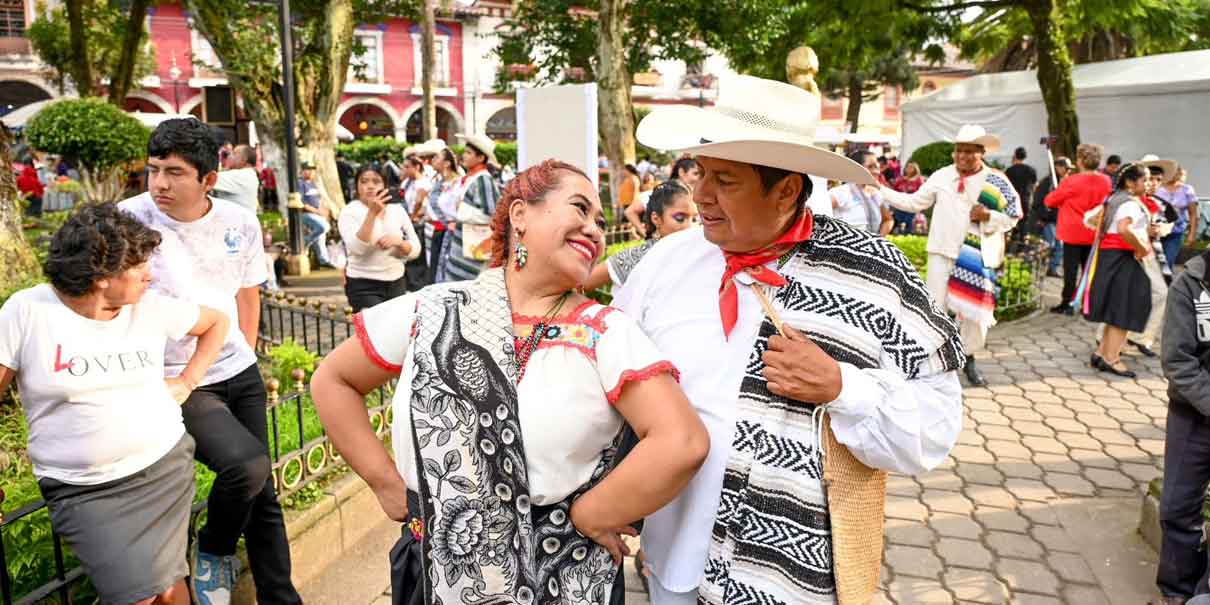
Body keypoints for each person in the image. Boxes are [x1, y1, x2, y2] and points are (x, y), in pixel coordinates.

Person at [625, 74, 964, 605]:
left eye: (727, 181)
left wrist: (842, 387)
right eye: (702, 172)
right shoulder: (667, 260)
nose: (702, 195)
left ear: (786, 188)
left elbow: (937, 428)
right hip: (669, 559)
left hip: (787, 581)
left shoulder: (874, 275)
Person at [310, 159, 710, 605]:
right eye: (579, 209)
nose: (595, 230)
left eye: (599, 221)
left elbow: (682, 440)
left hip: (563, 578)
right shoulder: (433, 309)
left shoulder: (605, 331)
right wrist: (385, 482)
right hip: (434, 573)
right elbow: (334, 380)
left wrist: (592, 513)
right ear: (520, 214)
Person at [0, 204, 229, 605]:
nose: (149, 274)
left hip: (163, 468)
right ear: (102, 277)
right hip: (83, 489)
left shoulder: (149, 307)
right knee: (137, 596)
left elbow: (216, 322)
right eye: (138, 266)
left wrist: (187, 381)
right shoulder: (28, 310)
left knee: (171, 588)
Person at [119, 119, 303, 605]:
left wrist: (245, 349)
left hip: (234, 369)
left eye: (174, 172)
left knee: (263, 494)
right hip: (174, 380)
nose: (159, 183)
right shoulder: (127, 221)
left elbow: (248, 294)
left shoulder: (238, 222)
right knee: (244, 467)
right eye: (153, 170)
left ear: (208, 180)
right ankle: (215, 549)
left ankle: (281, 598)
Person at [880, 124, 1023, 388]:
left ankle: (969, 358)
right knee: (935, 307)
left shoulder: (997, 181)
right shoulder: (942, 175)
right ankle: (933, 361)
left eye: (970, 151)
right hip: (941, 253)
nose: (963, 156)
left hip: (976, 257)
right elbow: (913, 203)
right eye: (959, 151)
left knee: (973, 313)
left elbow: (1014, 216)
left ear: (981, 153)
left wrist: (988, 216)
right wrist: (879, 189)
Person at [1157, 244, 1210, 605]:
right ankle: (1176, 590)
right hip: (1192, 418)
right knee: (1177, 507)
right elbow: (1177, 359)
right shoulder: (1190, 284)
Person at [1079, 163, 1153, 378]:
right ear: (1130, 182)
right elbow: (1123, 229)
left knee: (1116, 307)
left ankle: (1102, 353)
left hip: (1110, 258)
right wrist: (1141, 247)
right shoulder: (1129, 203)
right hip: (1122, 259)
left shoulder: (1113, 198)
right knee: (1125, 307)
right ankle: (1113, 359)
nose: (1148, 184)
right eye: (1145, 179)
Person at [583, 179, 698, 292]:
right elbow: (581, 285)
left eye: (695, 219)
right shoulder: (637, 257)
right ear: (656, 219)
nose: (690, 226)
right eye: (680, 218)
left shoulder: (701, 252)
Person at [337, 165, 421, 312]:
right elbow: (357, 249)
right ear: (357, 186)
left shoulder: (397, 210)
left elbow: (415, 250)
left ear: (385, 185)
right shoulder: (349, 212)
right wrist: (372, 213)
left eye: (376, 182)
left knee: (394, 331)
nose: (370, 186)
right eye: (364, 181)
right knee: (374, 330)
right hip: (363, 283)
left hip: (396, 281)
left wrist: (399, 242)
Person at [1045, 143, 1112, 315]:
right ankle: (1087, 304)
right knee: (1090, 270)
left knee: (1070, 271)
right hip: (1094, 231)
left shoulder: (1071, 181)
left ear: (1080, 160)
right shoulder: (1106, 180)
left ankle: (1067, 303)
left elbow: (1050, 201)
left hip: (1073, 232)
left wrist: (1057, 192)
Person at [440, 133, 501, 282]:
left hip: (474, 246)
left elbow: (492, 214)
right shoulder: (471, 178)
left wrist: (461, 211)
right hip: (465, 245)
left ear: (481, 158)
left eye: (469, 153)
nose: (464, 156)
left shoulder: (483, 180)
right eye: (465, 152)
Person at [829, 149, 893, 235]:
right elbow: (818, 213)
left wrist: (879, 239)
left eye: (877, 167)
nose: (876, 171)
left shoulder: (876, 194)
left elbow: (888, 220)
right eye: (870, 167)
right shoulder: (841, 192)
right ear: (857, 168)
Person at [1031, 156, 1073, 277]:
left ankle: (1052, 268)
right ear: (1058, 167)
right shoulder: (1047, 183)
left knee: (1058, 246)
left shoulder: (1064, 182)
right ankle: (1043, 267)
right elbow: (1039, 202)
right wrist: (1042, 218)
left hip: (1061, 219)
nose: (1068, 171)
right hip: (1049, 221)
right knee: (1052, 245)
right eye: (1066, 168)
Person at [1154, 164, 1199, 274]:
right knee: (1154, 263)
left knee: (1168, 261)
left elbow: (1193, 213)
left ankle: (1165, 286)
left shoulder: (1187, 190)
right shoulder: (1157, 186)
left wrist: (1191, 234)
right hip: (1156, 231)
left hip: (1175, 232)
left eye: (1177, 172)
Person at [428, 147, 462, 284]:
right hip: (442, 230)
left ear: (447, 163)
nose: (433, 160)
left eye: (437, 157)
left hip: (455, 232)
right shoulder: (439, 183)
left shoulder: (460, 182)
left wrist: (455, 222)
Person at [401, 156, 434, 290]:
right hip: (409, 219)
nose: (405, 170)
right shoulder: (407, 182)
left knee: (417, 256)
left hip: (418, 221)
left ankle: (417, 283)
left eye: (408, 167)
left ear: (417, 167)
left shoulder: (423, 183)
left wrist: (413, 215)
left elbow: (419, 202)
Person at [299, 161, 337, 269]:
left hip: (316, 214)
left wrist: (323, 211)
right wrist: (316, 212)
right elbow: (302, 204)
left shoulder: (312, 184)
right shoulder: (300, 183)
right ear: (303, 171)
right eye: (308, 169)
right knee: (324, 227)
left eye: (312, 170)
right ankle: (305, 242)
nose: (311, 172)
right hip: (305, 214)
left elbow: (318, 201)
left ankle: (323, 260)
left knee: (321, 235)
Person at [212, 144, 260, 214]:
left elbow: (207, 179)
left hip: (237, 223)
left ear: (244, 159)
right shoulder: (248, 174)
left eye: (234, 153)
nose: (229, 156)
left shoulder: (242, 176)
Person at [1005, 146, 1038, 241]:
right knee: (1024, 222)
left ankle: (1012, 242)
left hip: (1012, 200)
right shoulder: (1031, 170)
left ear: (1015, 155)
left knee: (1013, 221)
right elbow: (1035, 186)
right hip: (1026, 200)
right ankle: (1022, 244)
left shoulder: (1009, 170)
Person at [891, 162, 925, 234]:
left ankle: (909, 236)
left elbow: (922, 192)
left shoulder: (918, 180)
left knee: (909, 222)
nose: (908, 169)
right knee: (901, 222)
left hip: (912, 205)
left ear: (915, 169)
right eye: (907, 167)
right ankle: (901, 236)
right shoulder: (901, 179)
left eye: (911, 167)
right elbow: (894, 190)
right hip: (901, 204)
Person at [618, 163, 642, 232]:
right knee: (627, 222)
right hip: (626, 203)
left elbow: (636, 190)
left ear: (628, 170)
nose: (623, 172)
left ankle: (636, 235)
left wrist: (633, 202)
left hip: (631, 203)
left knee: (628, 221)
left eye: (624, 170)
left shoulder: (634, 178)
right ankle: (634, 235)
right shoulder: (627, 179)